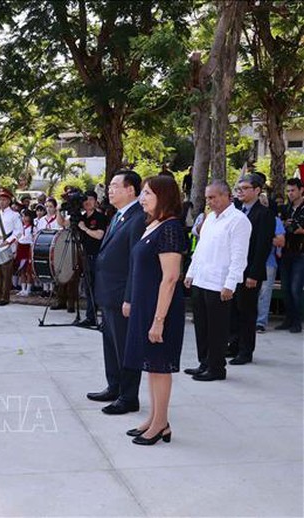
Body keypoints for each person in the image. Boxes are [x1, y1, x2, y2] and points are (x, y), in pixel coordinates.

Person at [125, 175, 187, 445]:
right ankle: (154, 418)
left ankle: (161, 424)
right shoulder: (153, 225)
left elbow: (171, 277)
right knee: (151, 366)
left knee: (160, 366)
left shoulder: (171, 228)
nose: (142, 198)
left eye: (148, 193)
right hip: (145, 306)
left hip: (160, 310)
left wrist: (159, 320)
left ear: (163, 196)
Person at [89, 170, 146, 415]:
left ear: (130, 189)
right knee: (110, 343)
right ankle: (114, 386)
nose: (109, 190)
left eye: (114, 185)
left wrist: (129, 297)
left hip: (122, 294)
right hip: (107, 292)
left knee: (125, 346)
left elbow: (137, 262)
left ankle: (128, 396)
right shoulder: (119, 216)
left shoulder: (138, 217)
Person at [184, 180, 251, 381]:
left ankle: (216, 367)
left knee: (217, 328)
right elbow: (200, 249)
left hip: (219, 282)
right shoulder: (210, 218)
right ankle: (204, 362)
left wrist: (230, 284)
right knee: (202, 325)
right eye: (207, 198)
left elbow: (239, 256)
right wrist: (190, 273)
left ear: (226, 196)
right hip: (202, 279)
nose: (209, 202)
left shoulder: (238, 220)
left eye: (212, 197)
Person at [227, 174, 275, 365]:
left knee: (246, 311)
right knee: (233, 309)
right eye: (239, 188)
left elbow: (263, 247)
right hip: (234, 270)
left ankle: (246, 351)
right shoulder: (236, 211)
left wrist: (254, 274)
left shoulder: (264, 214)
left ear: (257, 190)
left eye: (246, 188)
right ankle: (234, 344)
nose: (241, 192)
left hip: (250, 271)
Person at [0, 188, 23, 306]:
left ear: (9, 201)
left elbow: (19, 231)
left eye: (4, 200)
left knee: (6, 273)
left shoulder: (14, 215)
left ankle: (5, 298)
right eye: (0, 199)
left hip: (7, 246)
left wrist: (8, 241)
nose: (1, 202)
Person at [76, 191, 108, 326]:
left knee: (98, 288)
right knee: (89, 288)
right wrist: (61, 210)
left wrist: (84, 229)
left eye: (90, 199)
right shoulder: (82, 217)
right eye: (85, 200)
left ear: (96, 201)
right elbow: (64, 224)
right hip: (86, 256)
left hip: (98, 257)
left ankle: (99, 317)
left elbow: (99, 235)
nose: (87, 202)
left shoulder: (100, 217)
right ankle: (91, 317)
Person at [277, 178, 304, 333]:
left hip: (300, 253)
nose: (290, 193)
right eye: (288, 191)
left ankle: (297, 321)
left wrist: (292, 226)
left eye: (293, 190)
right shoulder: (286, 208)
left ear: (301, 190)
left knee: (295, 288)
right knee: (286, 288)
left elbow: (298, 229)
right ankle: (288, 318)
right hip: (286, 251)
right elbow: (281, 225)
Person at [256, 207, 285, 333]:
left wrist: (262, 239)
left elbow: (281, 241)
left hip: (268, 262)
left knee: (264, 293)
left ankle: (260, 322)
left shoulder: (275, 220)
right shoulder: (245, 216)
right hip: (248, 262)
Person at [16, 209, 36, 296]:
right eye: (22, 216)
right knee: (22, 270)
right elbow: (17, 239)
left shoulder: (33, 228)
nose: (24, 218)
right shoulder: (20, 228)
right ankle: (23, 288)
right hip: (21, 248)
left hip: (28, 249)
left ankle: (28, 289)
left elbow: (34, 240)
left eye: (26, 216)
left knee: (29, 271)